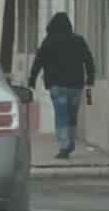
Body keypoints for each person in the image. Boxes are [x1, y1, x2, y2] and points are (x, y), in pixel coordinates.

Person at [29, 8, 96, 159]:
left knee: (61, 115)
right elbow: (88, 59)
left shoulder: (48, 42)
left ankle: (64, 145)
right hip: (75, 86)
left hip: (57, 86)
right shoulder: (78, 41)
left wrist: (32, 80)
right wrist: (90, 77)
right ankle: (70, 142)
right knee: (72, 116)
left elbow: (38, 62)